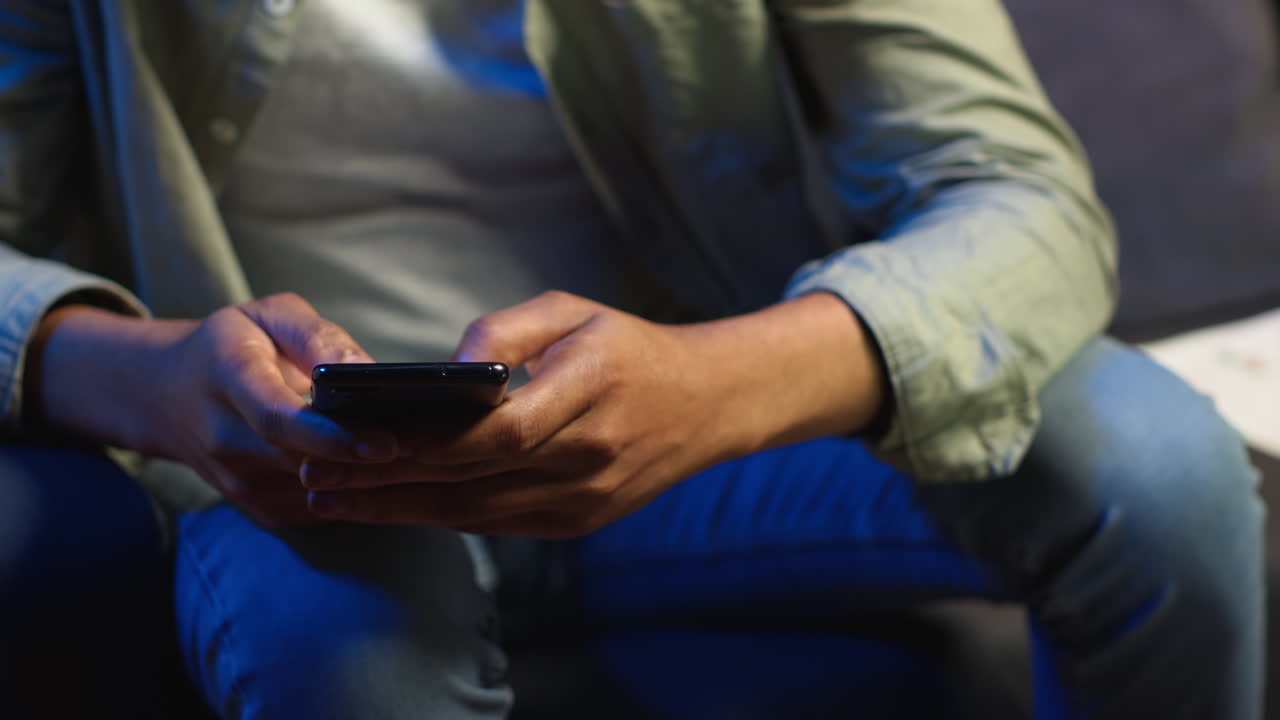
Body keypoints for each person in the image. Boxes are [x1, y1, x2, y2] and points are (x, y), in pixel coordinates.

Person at [0, 0, 1262, 718]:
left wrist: (728, 384)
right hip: (296, 466)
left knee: (1161, 470)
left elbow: (1018, 191)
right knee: (324, 642)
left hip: (711, 432)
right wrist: (143, 375)